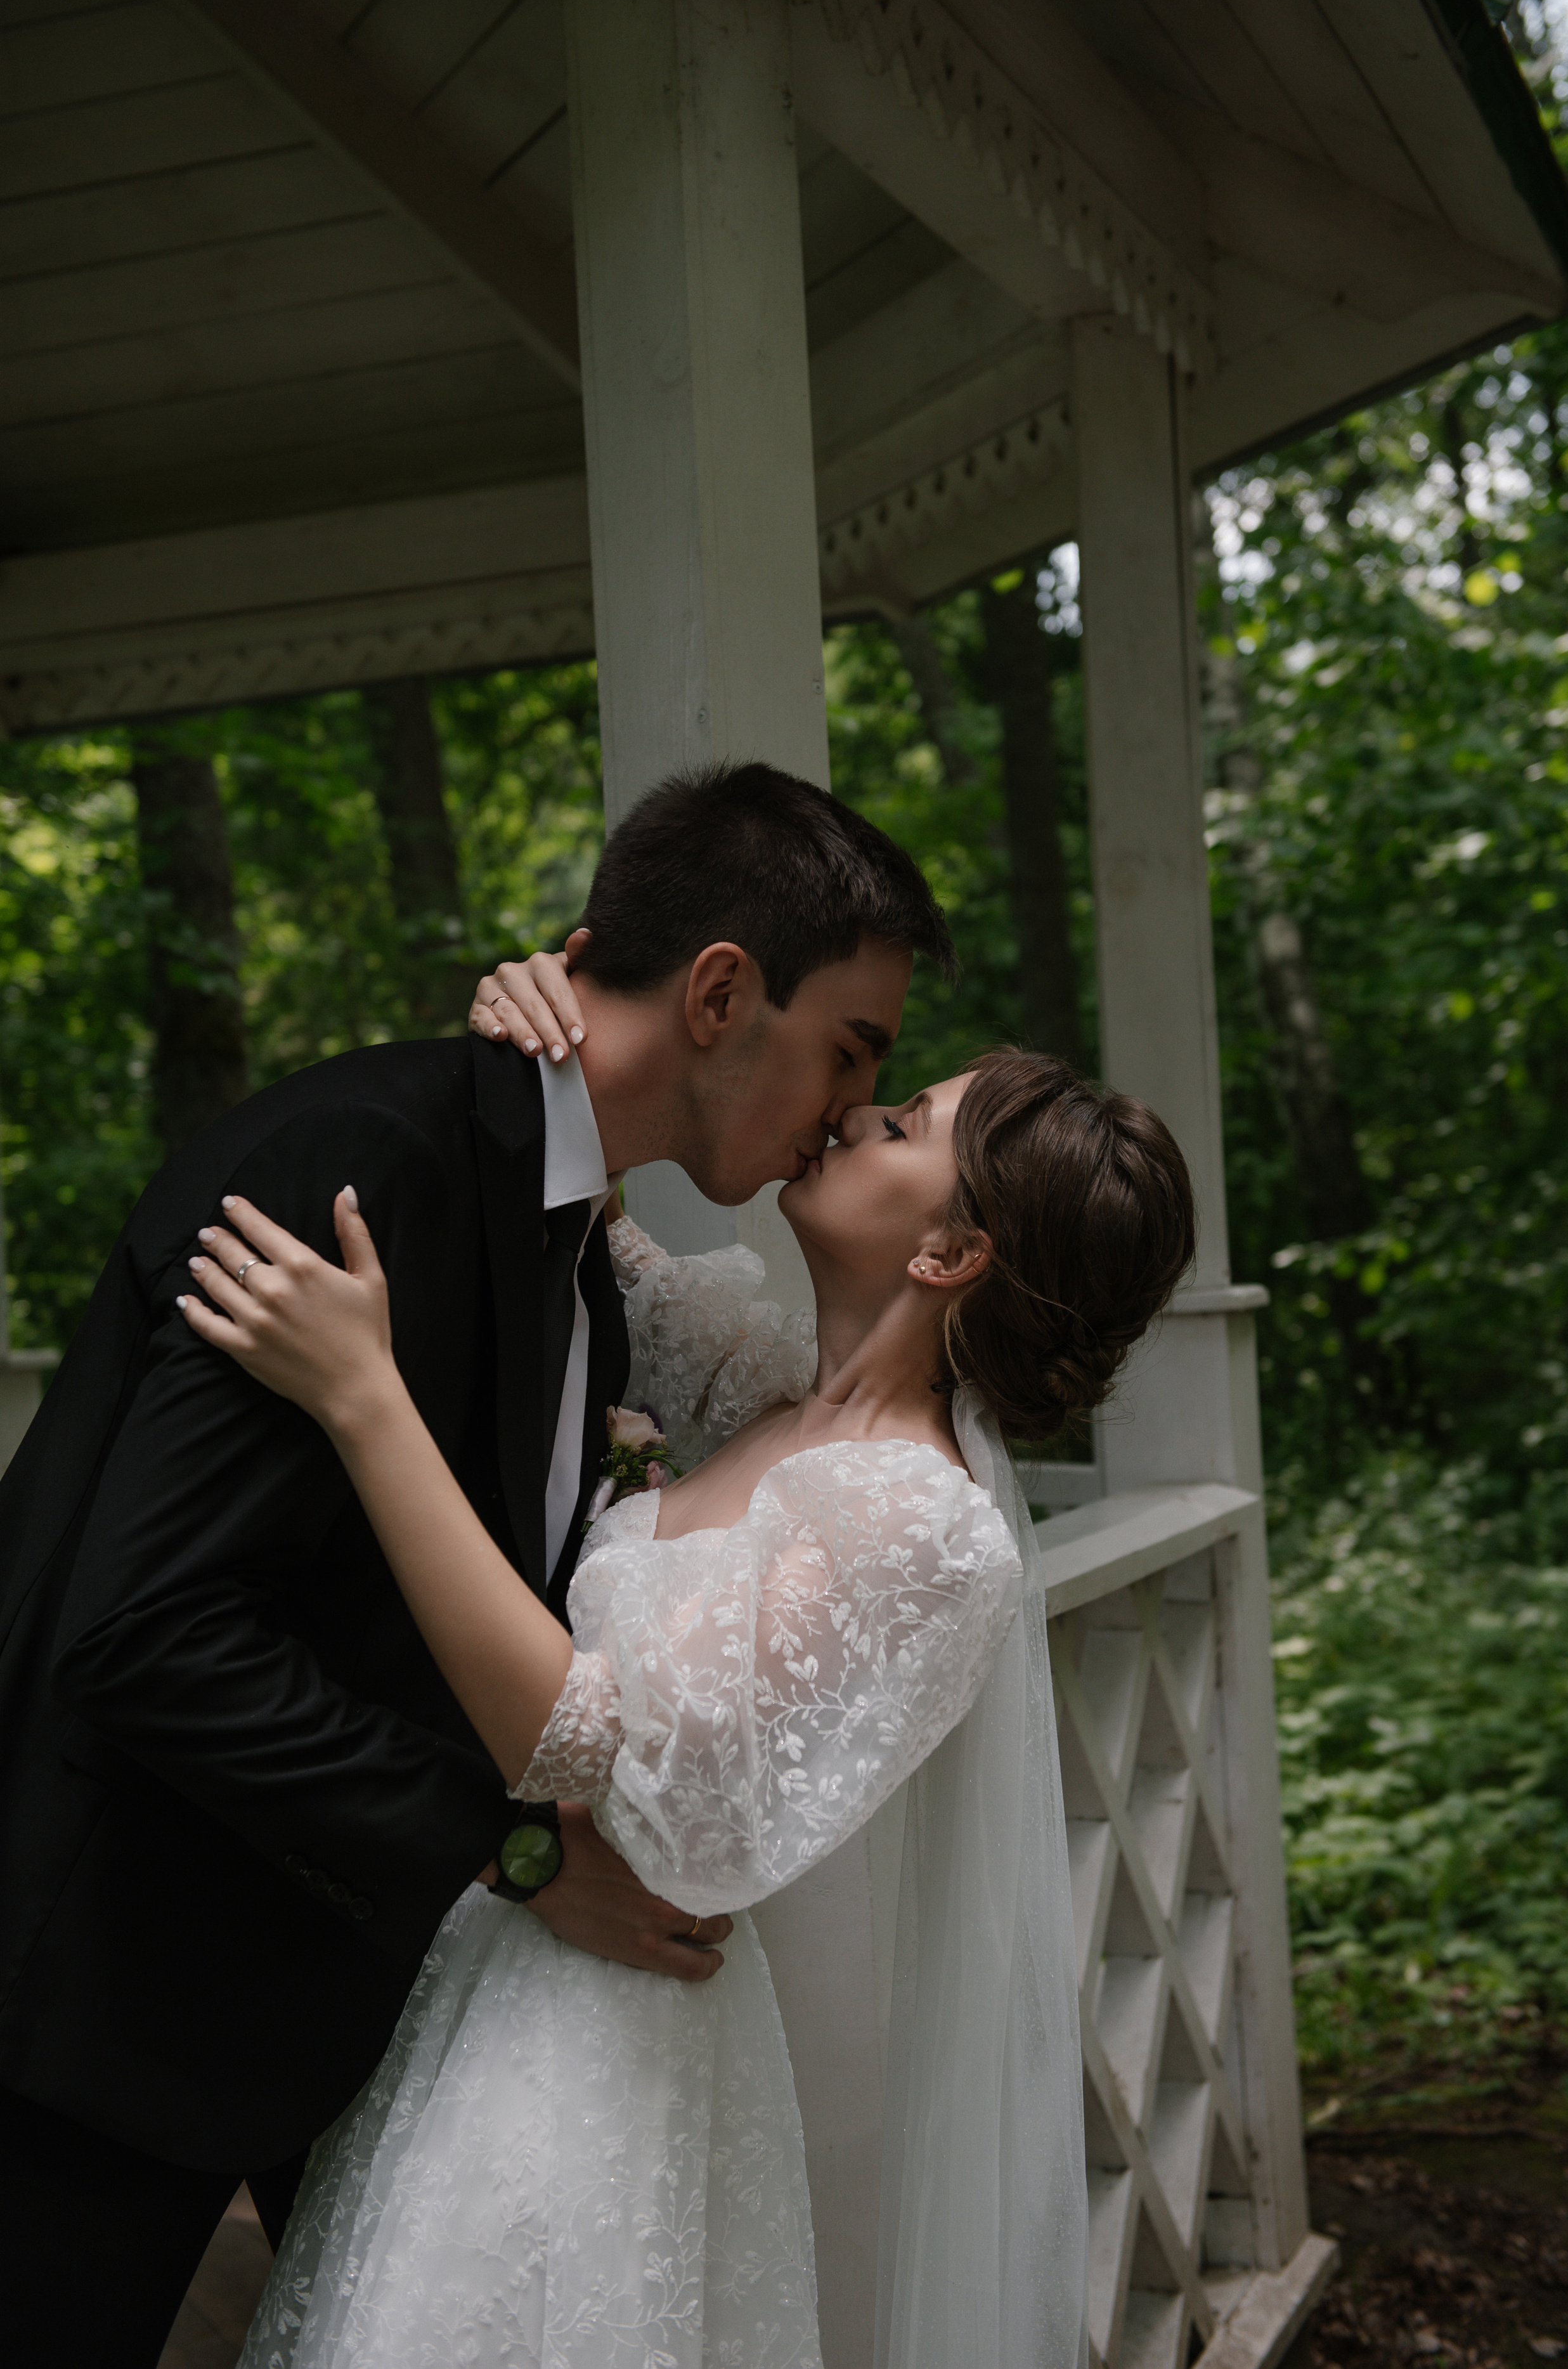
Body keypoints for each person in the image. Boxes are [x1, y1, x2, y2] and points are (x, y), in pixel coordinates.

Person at [0, 763, 954, 2369]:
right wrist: (505, 1850)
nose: (850, 1103)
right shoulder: (359, 1170)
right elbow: (149, 1633)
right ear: (722, 991)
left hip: (321, 2014)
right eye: (850, 1047)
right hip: (91, 2007)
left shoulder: (577, 1244)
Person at [178, 1034, 1195, 2369]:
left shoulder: (925, 1531)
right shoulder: (764, 1389)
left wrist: (364, 1399)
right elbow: (582, 1190)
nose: (848, 1116)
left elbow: (617, 1769)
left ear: (949, 1253)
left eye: (899, 1125)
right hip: (492, 2004)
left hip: (616, 2073)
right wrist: (543, 1022)